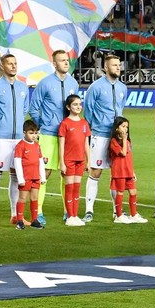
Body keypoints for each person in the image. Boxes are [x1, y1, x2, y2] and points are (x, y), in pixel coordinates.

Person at [28, 50, 79, 225]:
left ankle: (68, 211)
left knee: (67, 174)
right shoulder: (45, 83)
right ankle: (38, 211)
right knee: (45, 173)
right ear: (54, 63)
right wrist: (44, 123)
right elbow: (33, 108)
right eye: (62, 60)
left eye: (67, 60)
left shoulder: (73, 83)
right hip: (49, 135)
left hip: (69, 136)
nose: (66, 63)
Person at [0, 53, 30, 227]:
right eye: (9, 64)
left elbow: (25, 109)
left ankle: (15, 215)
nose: (13, 66)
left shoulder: (23, 87)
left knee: (17, 178)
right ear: (2, 66)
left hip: (18, 139)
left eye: (15, 63)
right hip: (1, 139)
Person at [82, 55, 127, 221]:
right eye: (114, 65)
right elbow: (88, 111)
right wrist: (97, 127)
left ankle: (118, 212)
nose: (117, 67)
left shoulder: (123, 88)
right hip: (100, 135)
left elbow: (121, 109)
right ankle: (89, 210)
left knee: (117, 174)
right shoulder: (96, 87)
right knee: (96, 171)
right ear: (106, 68)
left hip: (118, 137)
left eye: (118, 65)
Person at [59, 94, 91, 226]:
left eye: (79, 104)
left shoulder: (84, 123)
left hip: (80, 160)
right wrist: (62, 162)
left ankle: (75, 215)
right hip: (69, 160)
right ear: (68, 107)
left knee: (77, 188)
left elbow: (86, 144)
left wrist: (89, 161)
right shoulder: (65, 123)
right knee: (69, 188)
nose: (78, 107)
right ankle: (70, 216)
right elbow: (61, 144)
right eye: (75, 104)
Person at [109, 116, 146, 223]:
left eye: (127, 127)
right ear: (116, 128)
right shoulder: (114, 142)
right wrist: (124, 139)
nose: (126, 129)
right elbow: (123, 153)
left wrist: (132, 171)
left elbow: (128, 157)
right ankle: (119, 216)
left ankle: (133, 214)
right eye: (123, 126)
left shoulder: (128, 141)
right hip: (119, 171)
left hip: (128, 171)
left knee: (133, 192)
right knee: (120, 192)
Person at [13, 119, 46, 229]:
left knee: (34, 197)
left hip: (35, 177)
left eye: (36, 133)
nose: (34, 136)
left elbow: (40, 161)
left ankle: (34, 219)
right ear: (24, 133)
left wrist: (43, 176)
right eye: (31, 133)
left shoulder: (37, 146)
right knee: (22, 198)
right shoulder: (20, 146)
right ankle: (19, 220)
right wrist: (20, 178)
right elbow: (17, 162)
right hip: (26, 177)